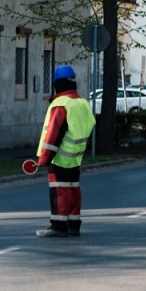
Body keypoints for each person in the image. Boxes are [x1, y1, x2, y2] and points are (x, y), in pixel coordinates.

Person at [34, 64, 97, 238]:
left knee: (59, 191)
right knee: (73, 189)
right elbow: (89, 126)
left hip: (60, 158)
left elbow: (54, 134)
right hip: (76, 157)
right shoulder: (82, 103)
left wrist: (44, 159)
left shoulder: (61, 104)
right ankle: (73, 224)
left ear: (58, 84)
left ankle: (58, 226)